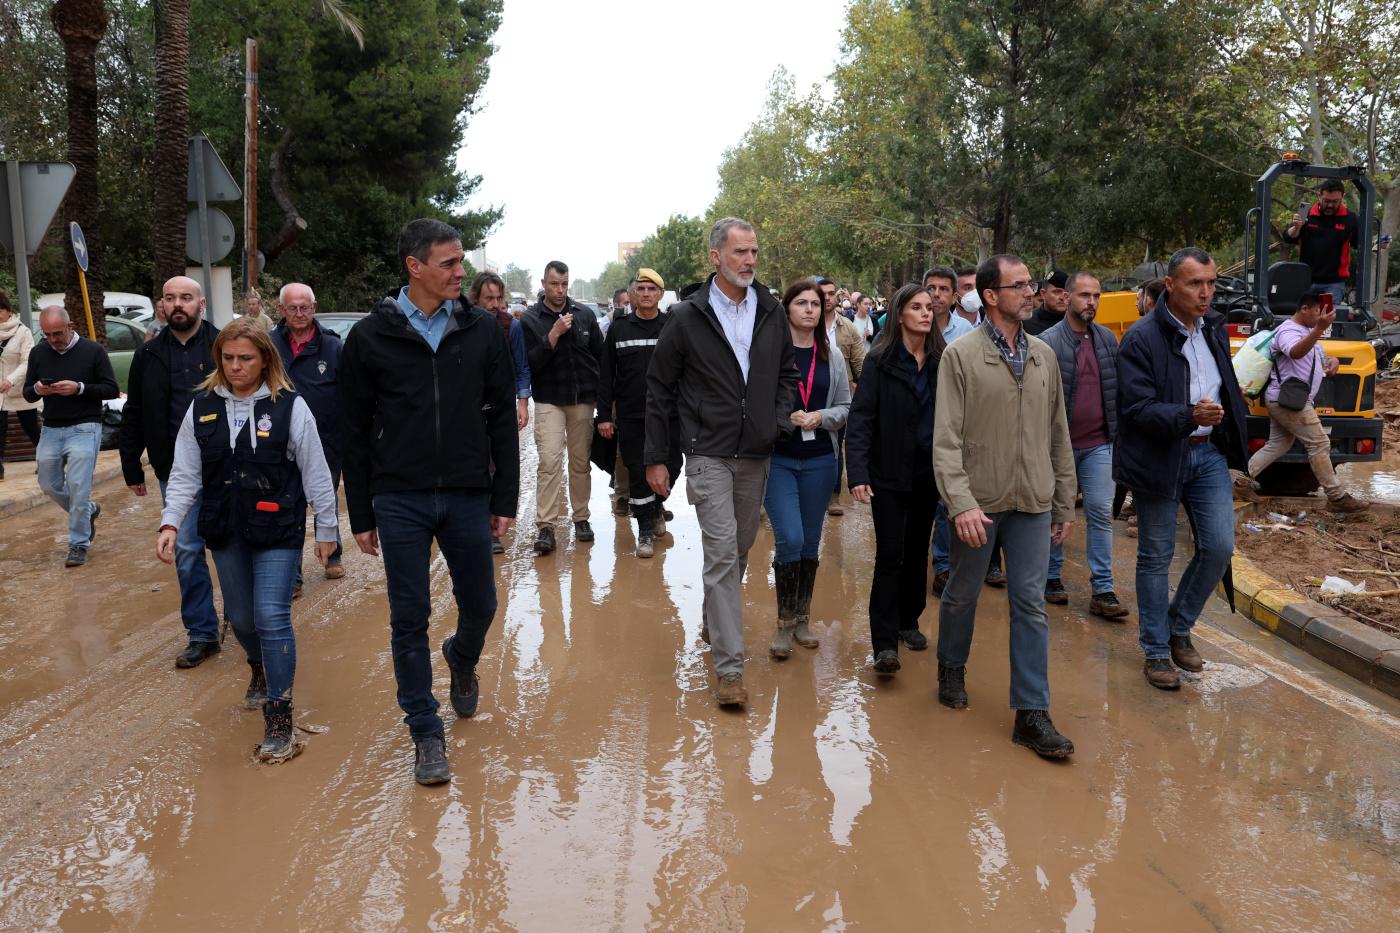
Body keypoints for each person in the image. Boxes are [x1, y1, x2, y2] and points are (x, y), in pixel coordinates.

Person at [340, 218, 519, 785]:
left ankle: (462, 658)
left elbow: (502, 423)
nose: (461, 272)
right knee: (408, 618)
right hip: (399, 496)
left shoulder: (483, 330)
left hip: (468, 492)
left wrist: (505, 496)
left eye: (461, 261)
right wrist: (362, 512)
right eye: (449, 263)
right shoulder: (370, 338)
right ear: (414, 266)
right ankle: (425, 730)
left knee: (483, 605)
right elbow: (354, 429)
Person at [156, 317, 338, 761]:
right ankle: (258, 666)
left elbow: (316, 470)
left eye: (246, 358)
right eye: (228, 358)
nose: (235, 366)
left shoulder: (290, 407)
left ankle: (280, 713)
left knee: (271, 615)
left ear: (264, 360)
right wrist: (170, 523)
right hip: (225, 528)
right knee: (240, 619)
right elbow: (184, 474)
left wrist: (327, 529)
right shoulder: (201, 408)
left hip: (277, 527)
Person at [644, 217, 798, 708]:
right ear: (716, 257)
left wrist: (776, 421)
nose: (749, 261)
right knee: (722, 554)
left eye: (754, 252)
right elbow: (660, 389)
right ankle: (730, 670)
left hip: (756, 451)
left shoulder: (771, 311)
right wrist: (657, 457)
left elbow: (786, 374)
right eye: (739, 253)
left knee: (743, 545)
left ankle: (715, 617)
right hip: (708, 452)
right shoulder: (688, 317)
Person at [934, 254, 1077, 759]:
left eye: (1030, 285)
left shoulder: (1043, 356)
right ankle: (950, 666)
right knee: (963, 593)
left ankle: (1031, 714)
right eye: (1018, 286)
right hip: (980, 503)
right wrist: (961, 503)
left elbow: (1059, 435)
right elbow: (946, 441)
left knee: (1030, 604)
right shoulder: (961, 356)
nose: (1030, 293)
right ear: (991, 296)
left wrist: (1064, 502)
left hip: (1033, 501)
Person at [1115, 247, 1248, 691]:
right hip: (1160, 455)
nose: (1206, 292)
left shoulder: (1212, 327)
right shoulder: (1141, 339)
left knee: (1218, 547)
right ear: (1170, 286)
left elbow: (1224, 383)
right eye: (1195, 283)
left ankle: (1177, 626)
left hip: (1206, 453)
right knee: (1155, 557)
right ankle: (1156, 652)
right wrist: (1189, 414)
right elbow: (1135, 409)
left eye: (1211, 283)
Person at [120, 275, 223, 666]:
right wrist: (132, 464)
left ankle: (246, 619)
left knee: (233, 543)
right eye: (169, 298)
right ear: (161, 305)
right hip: (174, 468)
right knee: (186, 547)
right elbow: (135, 412)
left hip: (227, 464)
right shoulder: (148, 355)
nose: (177, 304)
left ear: (201, 304)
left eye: (185, 297)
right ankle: (202, 633)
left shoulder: (224, 346)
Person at [847, 284, 942, 672]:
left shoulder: (942, 361)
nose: (925, 313)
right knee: (890, 554)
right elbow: (862, 418)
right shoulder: (880, 361)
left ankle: (908, 620)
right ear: (900, 313)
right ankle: (884, 643)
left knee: (919, 551)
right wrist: (858, 472)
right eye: (916, 307)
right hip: (888, 473)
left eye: (929, 308)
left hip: (928, 474)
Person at [763, 281, 851, 658]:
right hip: (779, 459)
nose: (810, 309)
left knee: (811, 540)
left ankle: (802, 620)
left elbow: (846, 406)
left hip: (819, 461)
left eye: (816, 303)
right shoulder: (768, 355)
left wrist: (821, 416)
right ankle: (783, 624)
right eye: (801, 303)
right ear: (787, 309)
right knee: (791, 538)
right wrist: (785, 417)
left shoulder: (833, 358)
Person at [1038, 273, 1130, 617]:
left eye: (1096, 296)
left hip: (1099, 445)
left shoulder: (1107, 339)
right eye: (1084, 295)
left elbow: (1116, 391)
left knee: (1101, 514)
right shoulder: (1047, 342)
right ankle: (1051, 578)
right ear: (1067, 297)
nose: (1090, 302)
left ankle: (1103, 590)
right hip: (1057, 447)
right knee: (1053, 513)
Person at [1245, 290, 1366, 511]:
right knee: (1319, 443)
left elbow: (1318, 356)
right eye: (1318, 312)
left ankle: (1239, 481)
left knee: (1279, 443)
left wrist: (1332, 361)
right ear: (1304, 309)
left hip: (1289, 399)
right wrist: (1320, 329)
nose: (1323, 316)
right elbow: (1295, 352)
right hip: (1288, 400)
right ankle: (1337, 497)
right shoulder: (1288, 331)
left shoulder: (1307, 331)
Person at [518, 261, 603, 555]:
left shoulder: (584, 315)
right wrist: (552, 334)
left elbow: (601, 358)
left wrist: (605, 400)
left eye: (564, 284)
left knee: (580, 462)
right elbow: (530, 364)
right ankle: (546, 526)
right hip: (549, 400)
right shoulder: (530, 319)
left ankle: (581, 518)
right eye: (554, 284)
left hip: (582, 400)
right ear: (543, 283)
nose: (560, 290)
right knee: (550, 462)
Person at [24, 306, 118, 567]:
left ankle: (78, 544)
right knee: (48, 484)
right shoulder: (38, 352)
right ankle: (88, 511)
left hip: (85, 427)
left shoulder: (93, 351)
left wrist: (79, 388)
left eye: (57, 333)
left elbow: (111, 389)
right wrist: (39, 389)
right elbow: (28, 393)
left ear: (70, 325)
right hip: (51, 428)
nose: (53, 339)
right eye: (47, 334)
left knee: (78, 486)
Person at [596, 269, 680, 558]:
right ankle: (644, 529)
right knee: (636, 471)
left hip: (669, 416)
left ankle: (656, 506)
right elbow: (606, 375)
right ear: (633, 293)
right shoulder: (619, 329)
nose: (645, 294)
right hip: (632, 416)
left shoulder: (672, 327)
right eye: (641, 289)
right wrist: (604, 415)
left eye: (651, 289)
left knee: (673, 464)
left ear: (659, 294)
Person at [272, 282, 347, 588]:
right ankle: (293, 573)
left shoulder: (333, 347)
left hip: (326, 439)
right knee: (287, 505)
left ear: (314, 308)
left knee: (323, 497)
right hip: (277, 440)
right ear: (281, 310)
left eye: (305, 307)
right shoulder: (268, 345)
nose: (300, 313)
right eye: (293, 308)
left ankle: (333, 555)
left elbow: (348, 393)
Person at [924, 267, 974, 597]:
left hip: (956, 427)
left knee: (947, 501)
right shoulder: (913, 325)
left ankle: (943, 566)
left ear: (955, 296)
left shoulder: (967, 332)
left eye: (944, 289)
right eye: (931, 288)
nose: (937, 295)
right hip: (921, 424)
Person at [816, 277, 865, 517]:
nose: (827, 297)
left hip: (838, 397)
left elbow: (860, 364)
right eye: (822, 293)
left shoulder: (848, 327)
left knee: (836, 447)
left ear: (837, 296)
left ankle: (833, 496)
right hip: (808, 395)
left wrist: (862, 389)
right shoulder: (801, 323)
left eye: (831, 293)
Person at [1283, 179, 1359, 306]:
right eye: (1327, 201)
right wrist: (1297, 227)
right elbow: (1288, 238)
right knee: (1303, 319)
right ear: (1319, 196)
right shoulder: (1305, 212)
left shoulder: (1350, 218)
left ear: (1342, 198)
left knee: (1328, 321)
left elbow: (1359, 244)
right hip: (1306, 279)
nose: (1330, 205)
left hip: (1334, 283)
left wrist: (1377, 244)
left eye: (1335, 202)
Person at [0, 289, 42, 480]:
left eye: (0, 310)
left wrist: (10, 380)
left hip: (18, 389)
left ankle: (47, 459)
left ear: (9, 310)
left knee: (31, 427)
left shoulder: (22, 332)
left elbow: (28, 361)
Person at [1025, 270, 1068, 335]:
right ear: (1043, 294)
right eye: (1057, 292)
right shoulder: (1026, 322)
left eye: (1066, 292)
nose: (1062, 297)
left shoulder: (1076, 322)